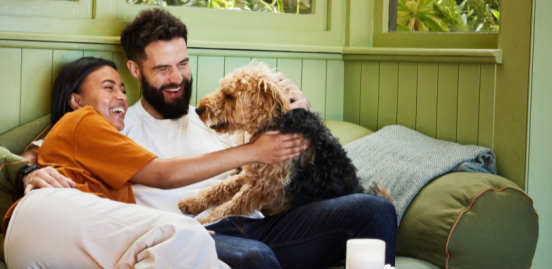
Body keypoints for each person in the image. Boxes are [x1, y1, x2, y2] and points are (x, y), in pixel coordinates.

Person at [22, 8, 398, 268]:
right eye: (163, 68)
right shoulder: (116, 124)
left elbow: (296, 157)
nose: (177, 77)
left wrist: (299, 114)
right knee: (252, 258)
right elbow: (36, 154)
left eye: (183, 64)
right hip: (194, 237)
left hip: (263, 226)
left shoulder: (219, 117)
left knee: (376, 210)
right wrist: (26, 173)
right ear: (136, 69)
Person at [3, 57, 306, 268]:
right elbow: (161, 173)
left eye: (122, 89)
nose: (121, 96)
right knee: (194, 239)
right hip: (49, 221)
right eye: (108, 87)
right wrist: (256, 151)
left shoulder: (98, 144)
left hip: (67, 241)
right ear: (75, 100)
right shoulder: (84, 120)